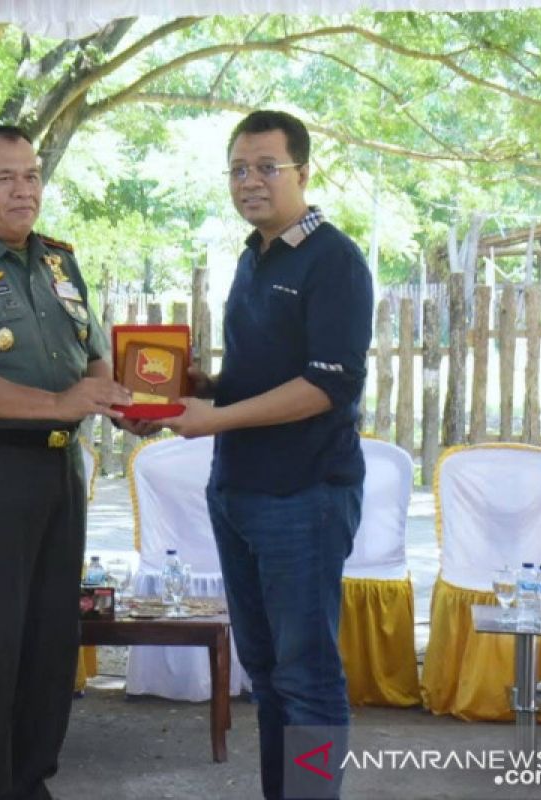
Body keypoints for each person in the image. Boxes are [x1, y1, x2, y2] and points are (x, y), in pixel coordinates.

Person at [0, 125, 149, 800]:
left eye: (33, 175)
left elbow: (94, 358)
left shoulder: (59, 261)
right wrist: (61, 400)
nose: (24, 190)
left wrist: (123, 400)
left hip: (58, 473)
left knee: (49, 645)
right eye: (6, 178)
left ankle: (28, 781)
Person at [165, 110, 373, 799]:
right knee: (267, 672)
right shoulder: (253, 256)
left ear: (303, 174)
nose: (249, 181)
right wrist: (205, 388)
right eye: (237, 169)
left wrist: (217, 416)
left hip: (304, 496)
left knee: (307, 676)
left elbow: (326, 385)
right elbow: (264, 374)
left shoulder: (334, 259)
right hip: (239, 491)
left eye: (266, 167)